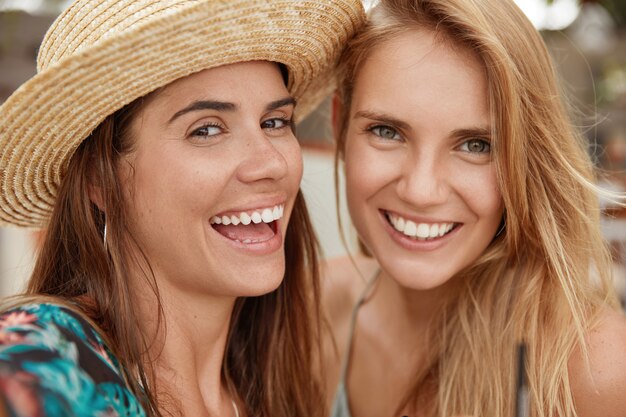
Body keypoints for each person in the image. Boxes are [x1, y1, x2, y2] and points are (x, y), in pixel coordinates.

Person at [0, 0, 365, 416]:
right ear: (97, 180)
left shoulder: (278, 387)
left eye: (275, 122)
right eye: (206, 130)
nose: (272, 164)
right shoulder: (42, 361)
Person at [323, 0, 626, 416]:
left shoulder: (594, 369)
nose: (421, 191)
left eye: (476, 145)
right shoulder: (314, 307)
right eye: (387, 131)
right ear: (339, 125)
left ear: (527, 160)